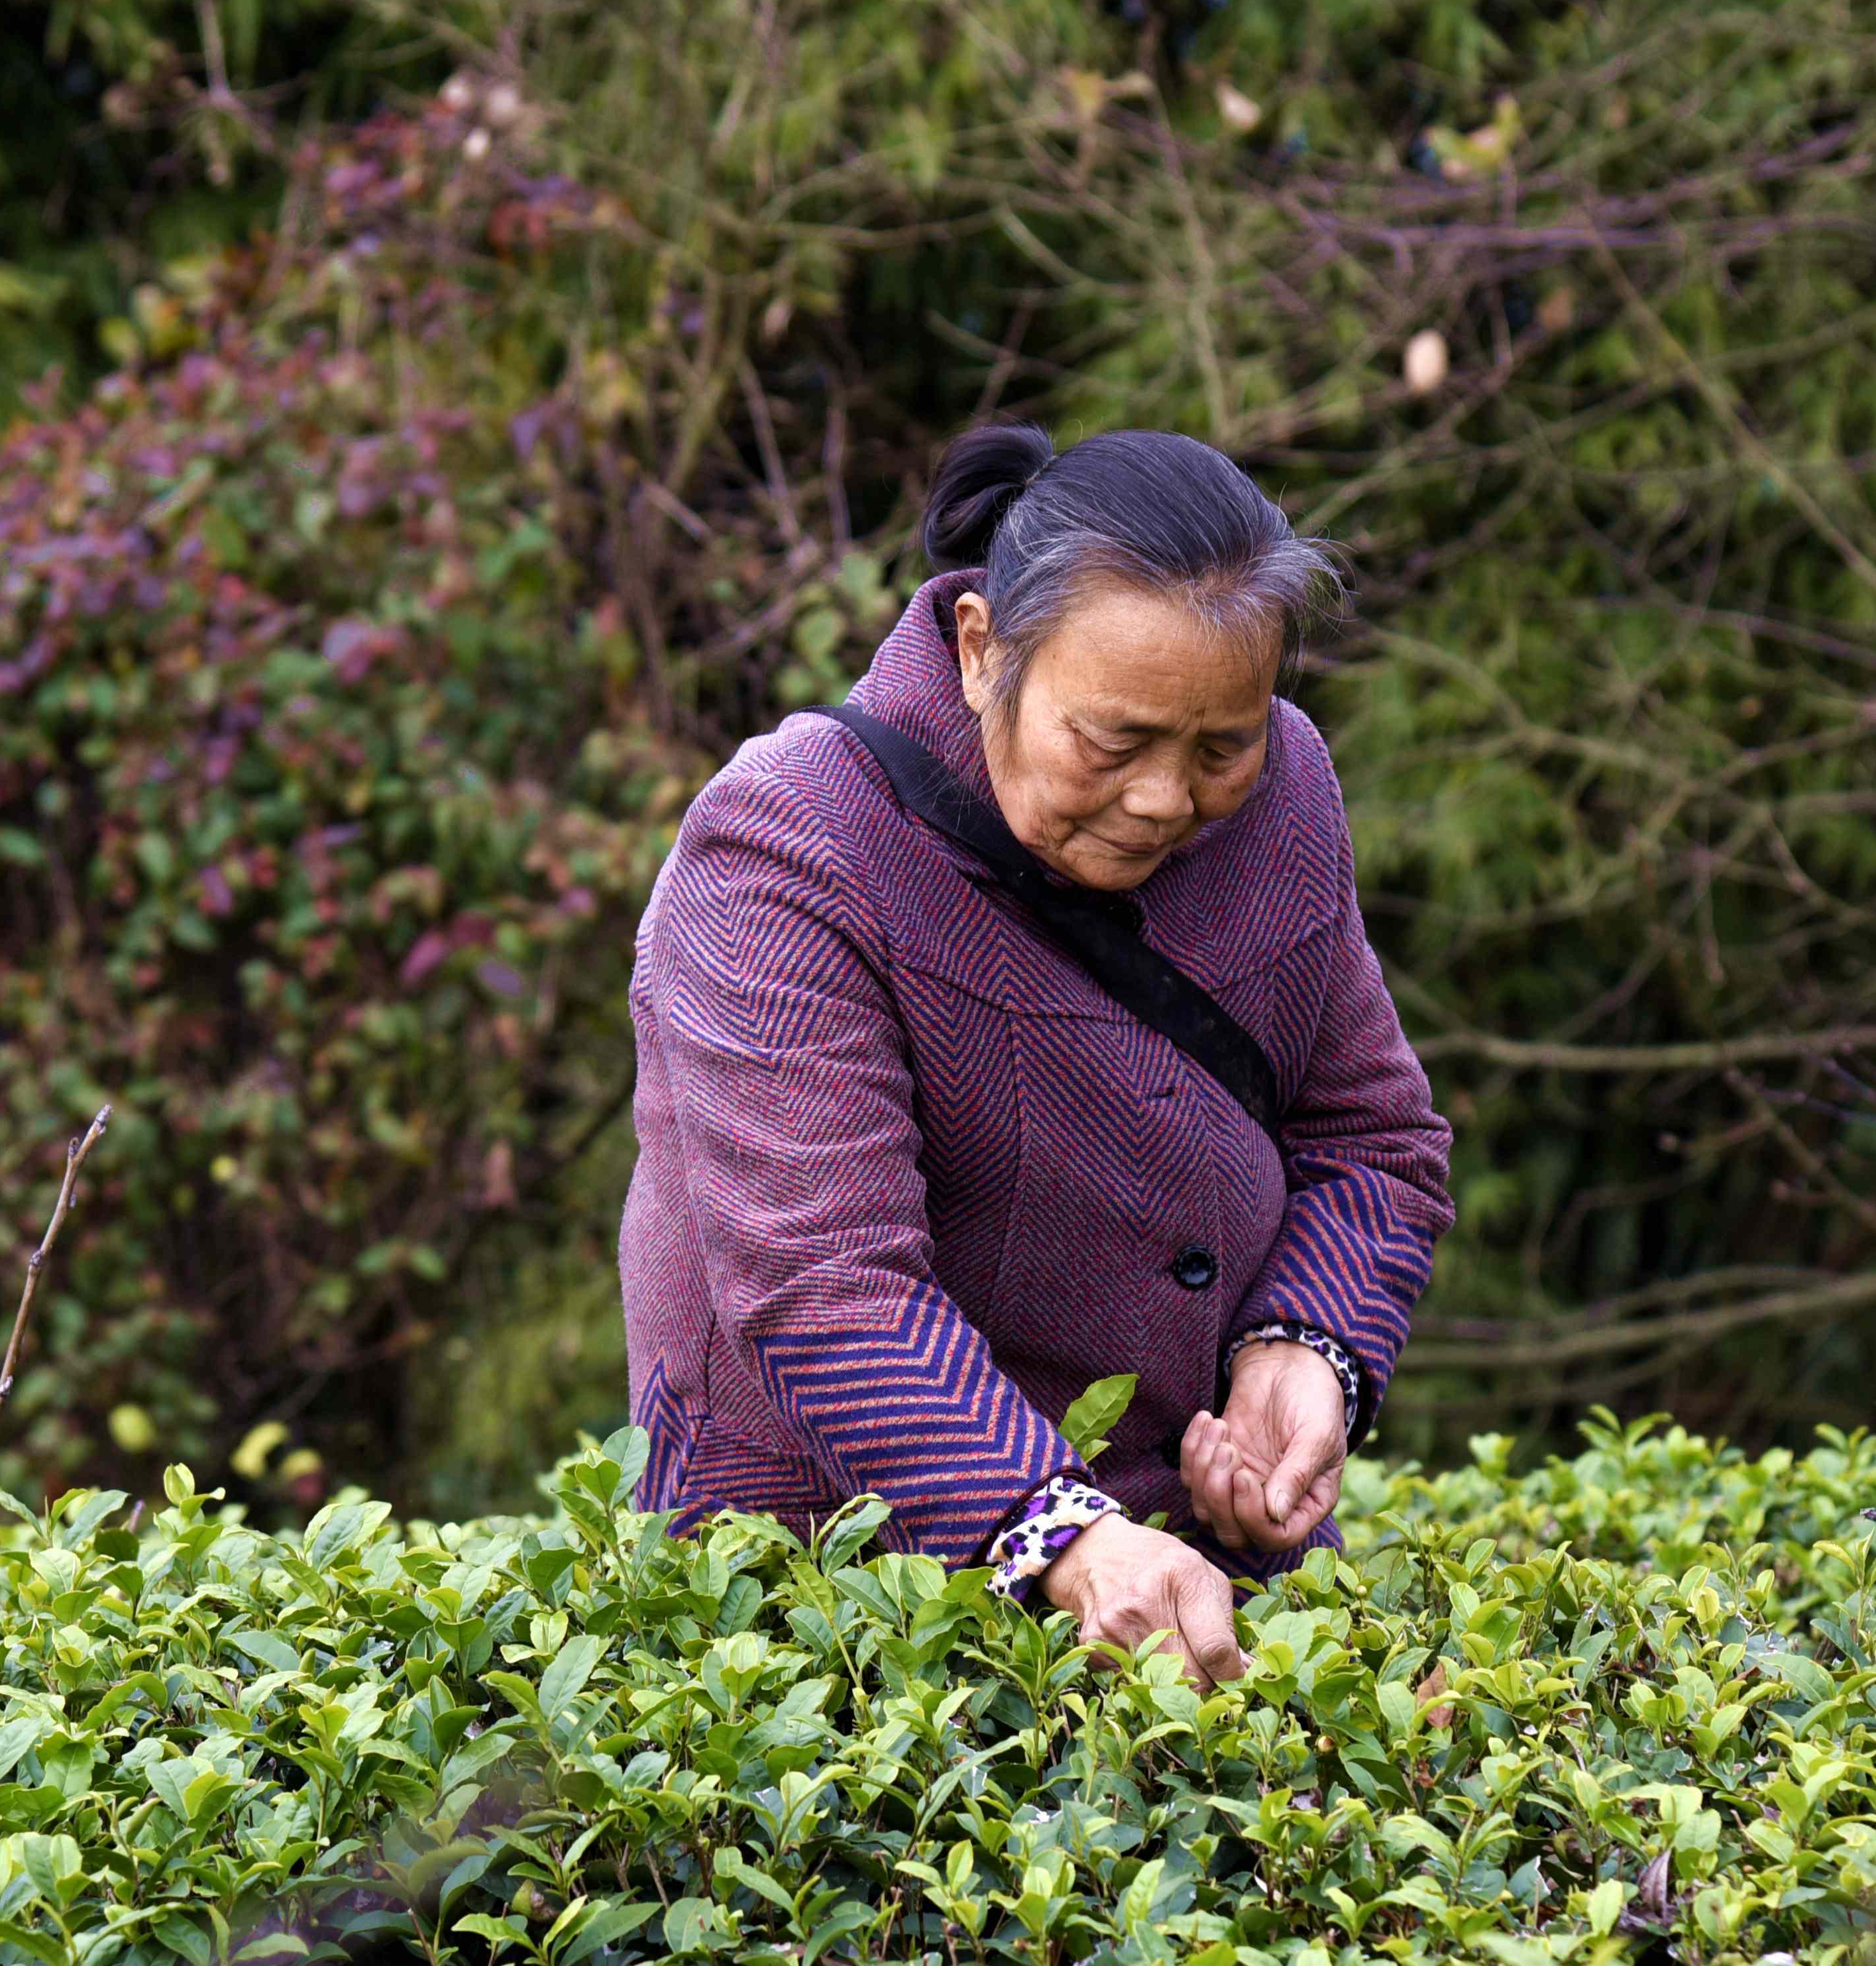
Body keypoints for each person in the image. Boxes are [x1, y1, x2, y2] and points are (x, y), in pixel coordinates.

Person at [619, 424, 1456, 1684]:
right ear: (979, 654)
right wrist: (1058, 1533)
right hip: (828, 1597)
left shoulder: (1288, 799)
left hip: (1191, 1578)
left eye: (1219, 747)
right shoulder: (789, 845)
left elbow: (1372, 1144)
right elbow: (824, 1282)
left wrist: (1304, 1349)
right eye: (1113, 743)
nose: (1167, 800)